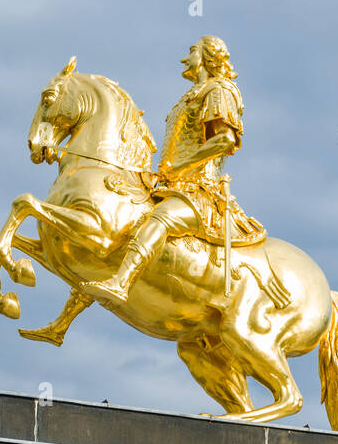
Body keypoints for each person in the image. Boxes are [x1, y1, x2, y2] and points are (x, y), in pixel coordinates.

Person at [81, 35, 264, 306]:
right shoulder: (191, 96)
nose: (184, 58)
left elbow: (224, 139)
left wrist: (180, 167)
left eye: (191, 52)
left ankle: (122, 283)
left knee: (160, 220)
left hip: (200, 191)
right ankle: (62, 321)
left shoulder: (219, 91)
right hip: (173, 185)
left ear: (206, 57)